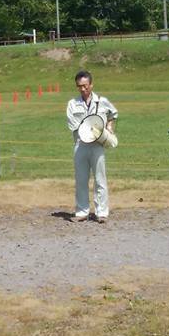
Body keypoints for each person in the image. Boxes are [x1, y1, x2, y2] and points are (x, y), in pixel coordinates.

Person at [66, 70, 118, 223]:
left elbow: (113, 113)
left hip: (97, 146)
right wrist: (90, 130)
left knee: (100, 179)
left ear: (91, 84)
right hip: (81, 145)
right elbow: (73, 126)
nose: (83, 89)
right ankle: (82, 211)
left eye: (85, 86)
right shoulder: (72, 104)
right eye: (79, 86)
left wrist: (109, 126)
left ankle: (102, 212)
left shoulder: (102, 101)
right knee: (81, 180)